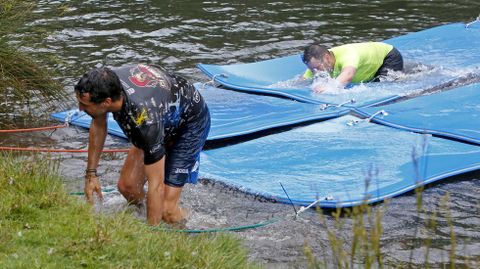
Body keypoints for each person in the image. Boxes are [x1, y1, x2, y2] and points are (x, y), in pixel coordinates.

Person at [74, 64, 210, 225]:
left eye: (85, 105)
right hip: (161, 111)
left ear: (107, 102)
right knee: (128, 187)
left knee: (167, 211)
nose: (80, 109)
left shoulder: (145, 122)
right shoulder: (104, 83)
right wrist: (91, 174)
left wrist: (149, 240)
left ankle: (193, 226)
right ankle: (151, 214)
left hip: (189, 125)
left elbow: (156, 185)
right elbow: (98, 122)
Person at [302, 42, 404, 93]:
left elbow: (348, 75)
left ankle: (410, 76)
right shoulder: (317, 63)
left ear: (327, 58)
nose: (316, 72)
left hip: (388, 57)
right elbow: (303, 80)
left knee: (383, 86)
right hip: (369, 60)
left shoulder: (348, 54)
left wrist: (329, 88)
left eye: (318, 67)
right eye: (312, 69)